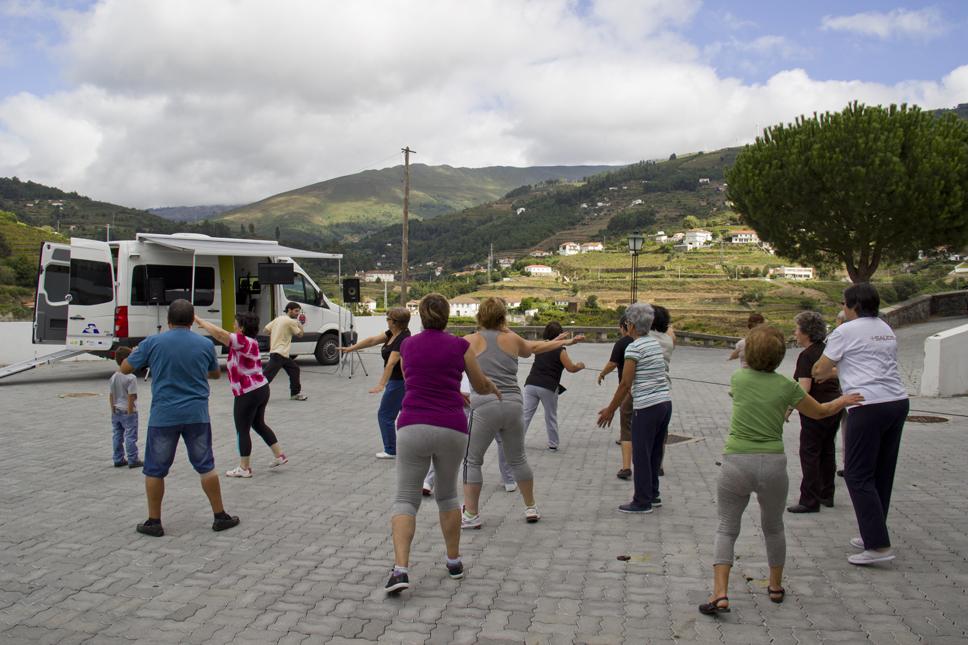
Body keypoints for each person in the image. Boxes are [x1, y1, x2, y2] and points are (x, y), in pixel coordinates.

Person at [697, 326, 861, 615]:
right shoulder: (788, 386)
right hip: (773, 463)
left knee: (726, 527)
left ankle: (720, 594)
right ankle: (774, 586)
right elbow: (821, 412)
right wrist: (843, 401)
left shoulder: (739, 379)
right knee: (773, 527)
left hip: (736, 460)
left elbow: (740, 390)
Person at [385, 293, 500, 594]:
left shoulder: (408, 345)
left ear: (421, 316)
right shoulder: (460, 345)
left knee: (405, 499)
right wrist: (492, 387)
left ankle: (400, 571)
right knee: (448, 497)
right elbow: (478, 384)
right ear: (448, 315)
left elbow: (418, 377)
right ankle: (454, 562)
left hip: (413, 424)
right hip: (451, 425)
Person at [121, 299, 240, 537]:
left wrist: (138, 355)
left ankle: (154, 521)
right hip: (196, 414)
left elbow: (125, 368)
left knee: (155, 469)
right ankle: (220, 516)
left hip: (163, 416)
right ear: (192, 319)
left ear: (168, 320)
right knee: (206, 466)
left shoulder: (153, 342)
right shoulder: (204, 343)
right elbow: (215, 374)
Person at [461, 298, 583, 528]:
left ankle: (471, 514)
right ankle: (531, 507)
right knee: (517, 458)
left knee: (472, 460)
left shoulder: (469, 341)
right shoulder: (512, 338)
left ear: (480, 316)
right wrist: (564, 342)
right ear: (502, 316)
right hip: (513, 403)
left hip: (484, 405)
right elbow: (536, 348)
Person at [812, 283, 909, 566]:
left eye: (844, 304)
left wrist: (835, 368)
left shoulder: (845, 330)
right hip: (897, 402)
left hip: (866, 405)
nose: (842, 308)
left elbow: (819, 369)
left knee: (856, 474)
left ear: (853, 305)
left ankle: (877, 546)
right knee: (881, 473)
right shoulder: (884, 328)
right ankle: (873, 532)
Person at [194, 312, 288, 478]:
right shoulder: (248, 342)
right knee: (258, 424)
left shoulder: (243, 341)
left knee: (242, 429)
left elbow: (221, 335)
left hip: (248, 392)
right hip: (260, 388)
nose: (233, 326)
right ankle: (279, 455)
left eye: (235, 323)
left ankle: (244, 467)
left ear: (242, 328)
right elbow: (223, 335)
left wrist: (201, 321)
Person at [597, 303, 670, 514]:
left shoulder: (634, 348)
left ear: (630, 325)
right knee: (654, 453)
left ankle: (642, 501)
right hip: (664, 404)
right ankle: (653, 494)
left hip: (646, 407)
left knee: (641, 454)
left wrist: (610, 409)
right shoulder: (654, 343)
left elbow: (625, 383)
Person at [787, 311, 841, 513]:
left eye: (797, 329)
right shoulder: (827, 351)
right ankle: (827, 493)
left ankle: (809, 499)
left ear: (806, 333)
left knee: (809, 453)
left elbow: (804, 388)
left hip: (814, 409)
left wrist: (789, 408)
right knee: (827, 450)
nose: (795, 333)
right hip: (834, 405)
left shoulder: (806, 356)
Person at [341, 306, 412, 459]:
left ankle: (391, 450)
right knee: (405, 414)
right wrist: (351, 348)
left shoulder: (402, 339)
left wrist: (381, 384)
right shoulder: (392, 334)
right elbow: (372, 340)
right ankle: (408, 446)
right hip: (399, 382)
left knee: (385, 415)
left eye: (388, 319)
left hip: (398, 382)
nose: (386, 321)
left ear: (395, 322)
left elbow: (391, 363)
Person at [519, 321, 585, 451]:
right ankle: (553, 443)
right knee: (550, 415)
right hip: (548, 386)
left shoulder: (540, 346)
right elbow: (570, 368)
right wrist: (580, 366)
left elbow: (548, 345)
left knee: (525, 414)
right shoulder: (560, 350)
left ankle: (516, 440)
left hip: (531, 384)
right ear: (560, 335)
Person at [597, 316, 634, 479]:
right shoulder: (649, 343)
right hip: (650, 393)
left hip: (629, 389)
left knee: (626, 425)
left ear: (624, 327)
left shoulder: (622, 343)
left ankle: (626, 466)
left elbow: (613, 364)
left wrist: (602, 373)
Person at [649, 305, 675, 477]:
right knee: (661, 435)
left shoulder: (644, 339)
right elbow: (672, 333)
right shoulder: (668, 341)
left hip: (645, 396)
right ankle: (658, 465)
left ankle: (647, 471)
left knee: (643, 438)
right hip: (664, 394)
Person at [263, 302, 307, 401]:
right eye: (296, 311)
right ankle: (254, 394)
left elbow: (265, 330)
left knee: (294, 369)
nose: (297, 313)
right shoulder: (291, 322)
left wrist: (277, 332)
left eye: (298, 311)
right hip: (280, 353)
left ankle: (295, 394)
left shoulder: (278, 319)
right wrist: (300, 325)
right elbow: (300, 335)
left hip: (279, 353)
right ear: (289, 310)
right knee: (267, 376)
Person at [109, 346, 142, 469]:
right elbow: (131, 396)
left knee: (117, 435)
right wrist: (130, 411)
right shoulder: (130, 377)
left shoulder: (114, 376)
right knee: (130, 436)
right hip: (128, 411)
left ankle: (118, 458)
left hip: (116, 410)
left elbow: (111, 395)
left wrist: (112, 409)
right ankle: (133, 459)